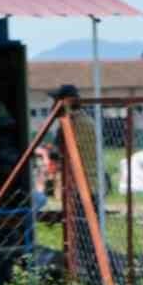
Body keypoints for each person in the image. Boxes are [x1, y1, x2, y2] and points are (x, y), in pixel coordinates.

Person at [46, 83, 102, 214]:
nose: (53, 106)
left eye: (56, 101)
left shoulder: (74, 123)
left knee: (81, 227)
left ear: (66, 102)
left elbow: (56, 153)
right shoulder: (80, 120)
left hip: (81, 186)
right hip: (85, 185)